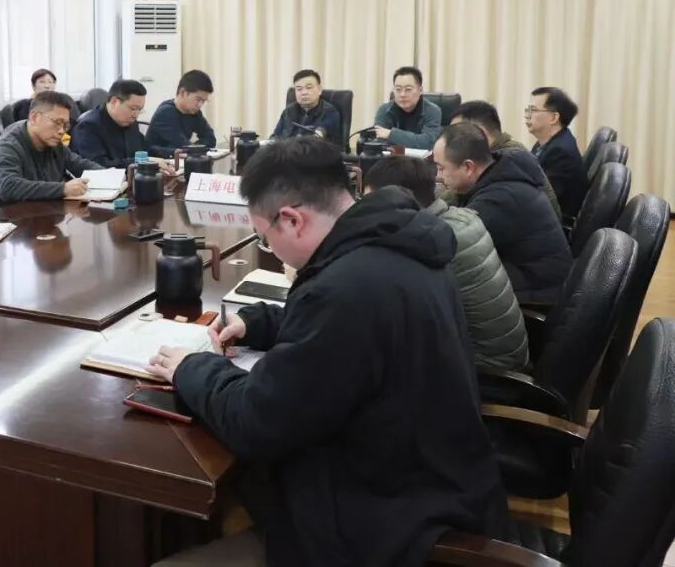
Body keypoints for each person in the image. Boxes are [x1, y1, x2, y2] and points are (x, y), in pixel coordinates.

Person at [147, 137, 508, 567]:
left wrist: (191, 367)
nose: (269, 247)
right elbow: (354, 331)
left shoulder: (346, 289)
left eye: (264, 238)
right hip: (432, 480)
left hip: (385, 522)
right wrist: (258, 323)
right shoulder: (396, 244)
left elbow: (255, 421)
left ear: (291, 220)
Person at [365, 156, 529, 370]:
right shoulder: (460, 218)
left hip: (487, 368)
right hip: (503, 351)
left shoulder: (433, 242)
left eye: (370, 203)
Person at [434, 123, 572, 306]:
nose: (438, 176)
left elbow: (448, 245)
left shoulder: (498, 200)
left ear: (468, 167)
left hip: (538, 293)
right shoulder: (501, 173)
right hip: (534, 276)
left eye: (441, 168)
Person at [0, 91, 103, 206]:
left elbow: (79, 164)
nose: (61, 131)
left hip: (33, 212)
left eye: (65, 125)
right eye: (57, 122)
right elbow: (8, 187)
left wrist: (110, 175)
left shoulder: (53, 143)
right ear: (34, 117)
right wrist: (63, 189)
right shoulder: (7, 147)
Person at [447, 100, 562, 220]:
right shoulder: (508, 151)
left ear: (481, 134)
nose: (450, 143)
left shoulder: (506, 161)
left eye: (455, 136)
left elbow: (460, 201)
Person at [70, 79, 175, 172]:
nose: (136, 115)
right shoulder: (88, 127)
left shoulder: (129, 121)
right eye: (133, 108)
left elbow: (145, 150)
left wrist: (173, 154)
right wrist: (142, 162)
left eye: (140, 110)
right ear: (114, 102)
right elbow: (99, 166)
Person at [526, 87, 590, 221]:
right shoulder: (547, 143)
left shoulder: (561, 153)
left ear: (553, 117)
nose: (527, 115)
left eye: (533, 110)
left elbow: (539, 200)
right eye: (528, 110)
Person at [145, 69, 217, 157]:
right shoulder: (166, 113)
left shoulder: (194, 112)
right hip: (157, 162)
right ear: (183, 92)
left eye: (203, 101)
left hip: (178, 161)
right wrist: (194, 148)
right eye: (198, 99)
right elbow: (183, 145)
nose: (200, 105)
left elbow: (210, 139)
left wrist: (194, 148)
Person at [373, 66, 442, 150]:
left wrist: (391, 134)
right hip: (392, 157)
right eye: (398, 89)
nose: (402, 94)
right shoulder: (384, 110)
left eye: (408, 89)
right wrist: (416, 140)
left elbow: (427, 143)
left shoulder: (432, 111)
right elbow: (380, 144)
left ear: (420, 90)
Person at [270, 69, 341, 143]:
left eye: (309, 88)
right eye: (299, 89)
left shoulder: (330, 112)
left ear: (319, 90)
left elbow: (319, 135)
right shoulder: (289, 111)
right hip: (284, 148)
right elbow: (275, 136)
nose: (304, 93)